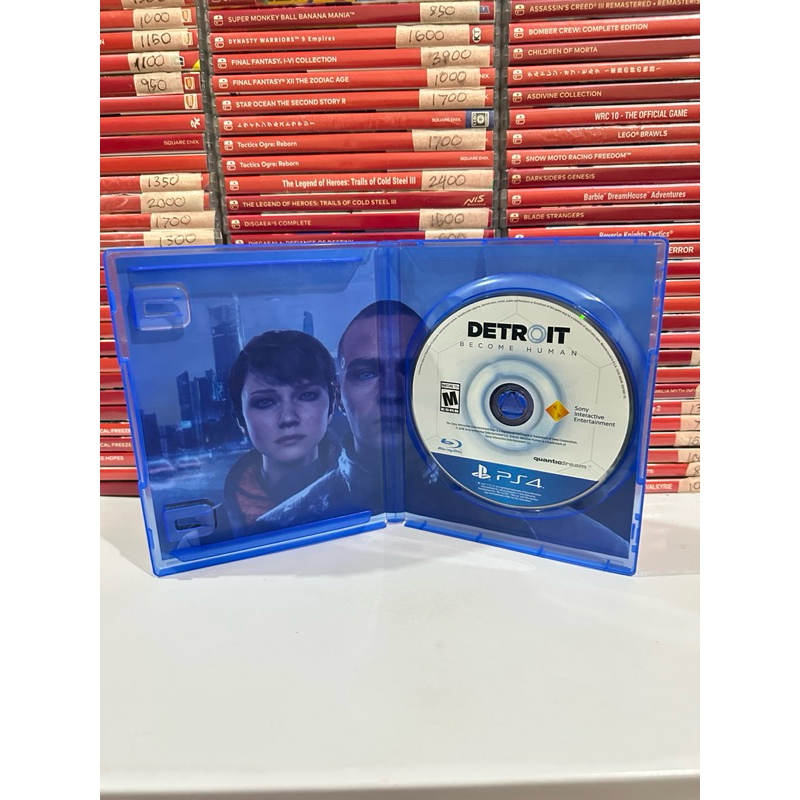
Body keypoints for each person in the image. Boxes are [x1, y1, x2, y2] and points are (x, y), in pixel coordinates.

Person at [223, 329, 341, 532]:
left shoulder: (371, 502)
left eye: (306, 396)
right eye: (265, 402)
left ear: (332, 404)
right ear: (240, 419)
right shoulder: (203, 539)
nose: (288, 418)